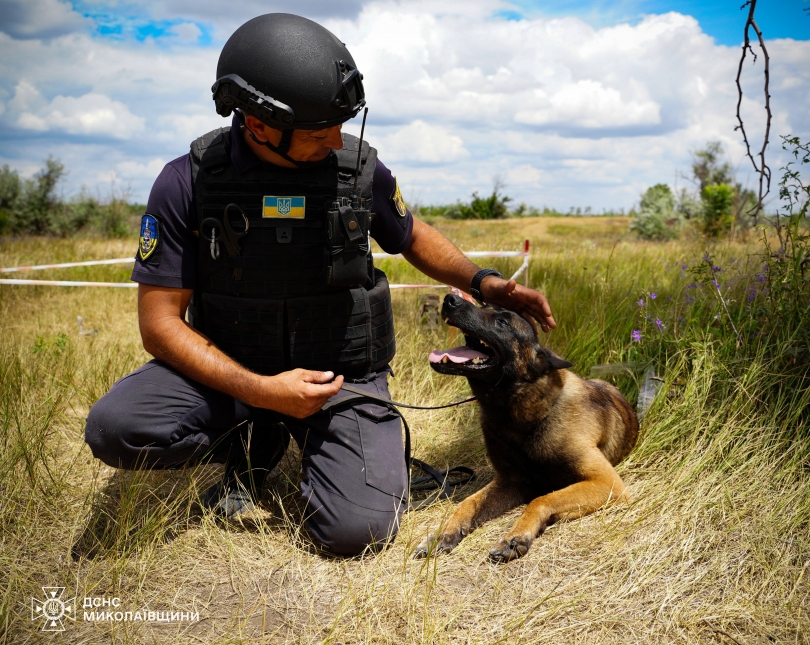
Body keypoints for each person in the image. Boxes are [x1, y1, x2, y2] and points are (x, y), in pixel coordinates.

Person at [85, 13, 556, 557]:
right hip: (232, 374)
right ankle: (252, 436)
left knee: (357, 532)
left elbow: (410, 233)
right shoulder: (186, 182)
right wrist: (260, 391)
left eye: (339, 125)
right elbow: (160, 325)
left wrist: (487, 283)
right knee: (118, 427)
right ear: (259, 124)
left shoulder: (355, 169)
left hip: (341, 377)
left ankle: (321, 445)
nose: (336, 139)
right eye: (317, 132)